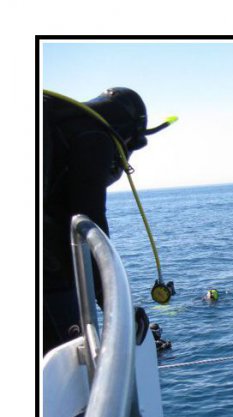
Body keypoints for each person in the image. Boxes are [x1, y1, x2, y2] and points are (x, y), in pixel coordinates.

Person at [43, 87, 153, 354]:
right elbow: (90, 221)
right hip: (48, 276)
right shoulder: (95, 136)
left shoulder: (62, 127)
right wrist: (118, 307)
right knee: (62, 356)